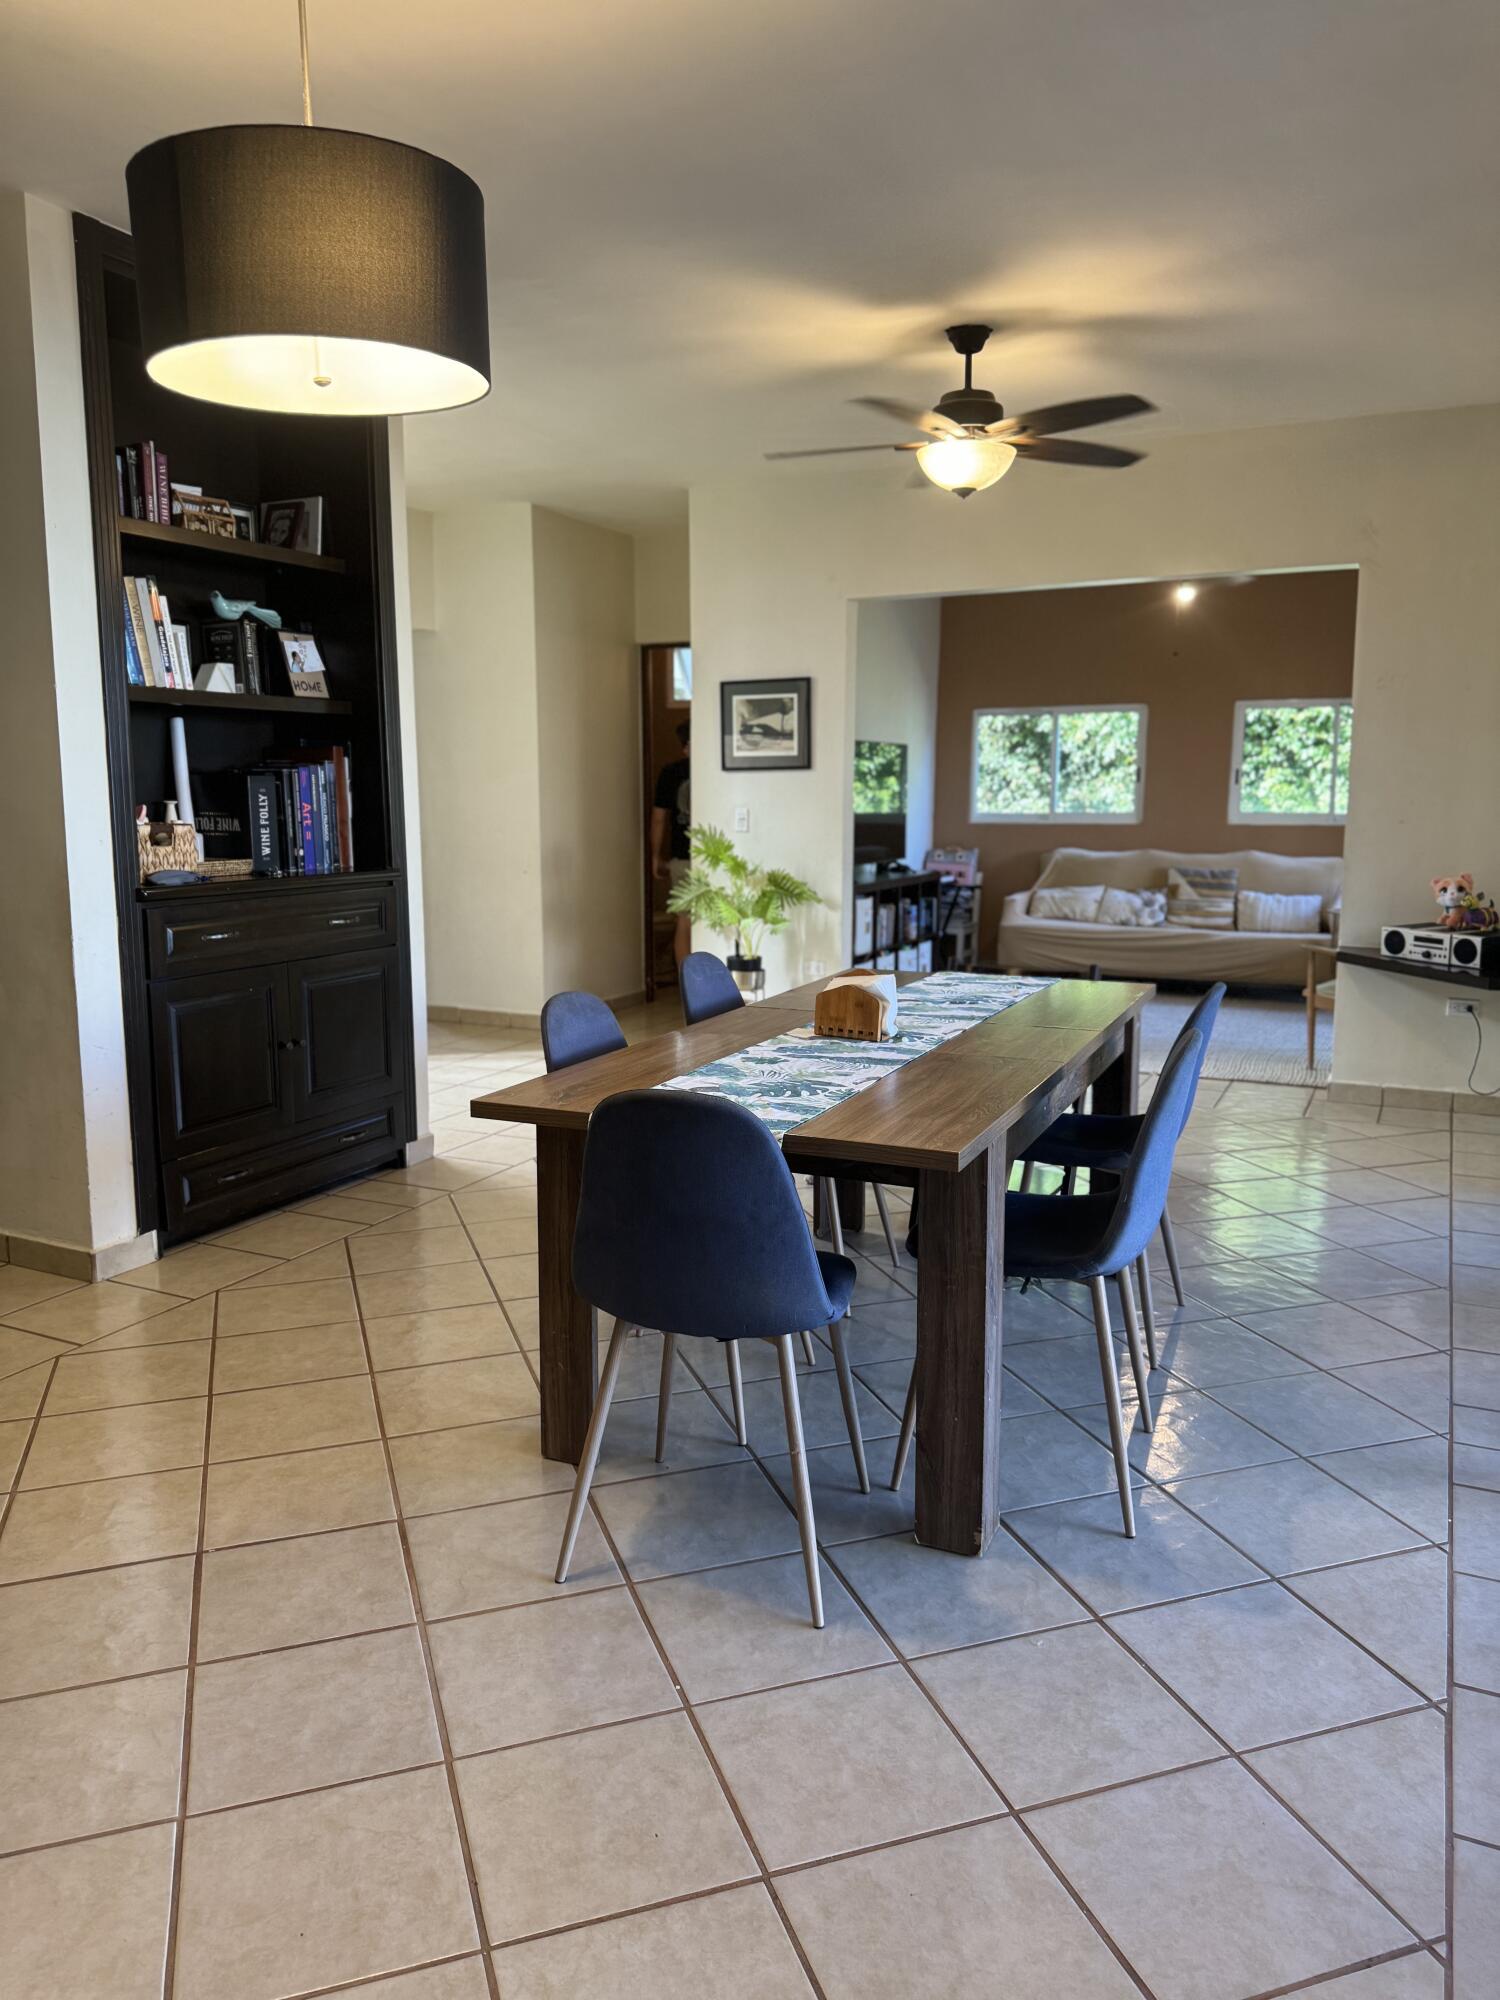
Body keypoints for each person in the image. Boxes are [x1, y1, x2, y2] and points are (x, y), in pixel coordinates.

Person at [652, 720, 692, 969]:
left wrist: (655, 855)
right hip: (715, 856)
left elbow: (659, 819)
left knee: (684, 921)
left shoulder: (670, 773)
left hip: (681, 856)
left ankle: (688, 985)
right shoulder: (718, 769)